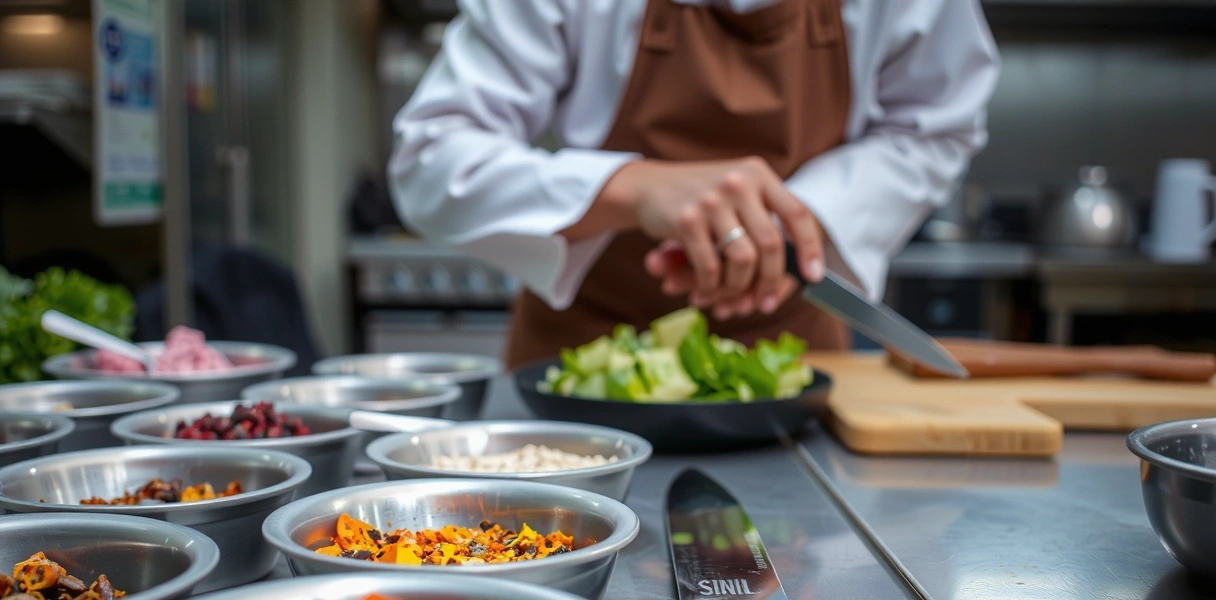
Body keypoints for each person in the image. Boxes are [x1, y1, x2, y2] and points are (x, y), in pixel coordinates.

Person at [388, 0, 1000, 368]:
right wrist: (634, 189)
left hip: (790, 359)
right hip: (579, 363)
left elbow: (936, 127)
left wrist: (788, 222)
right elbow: (431, 157)